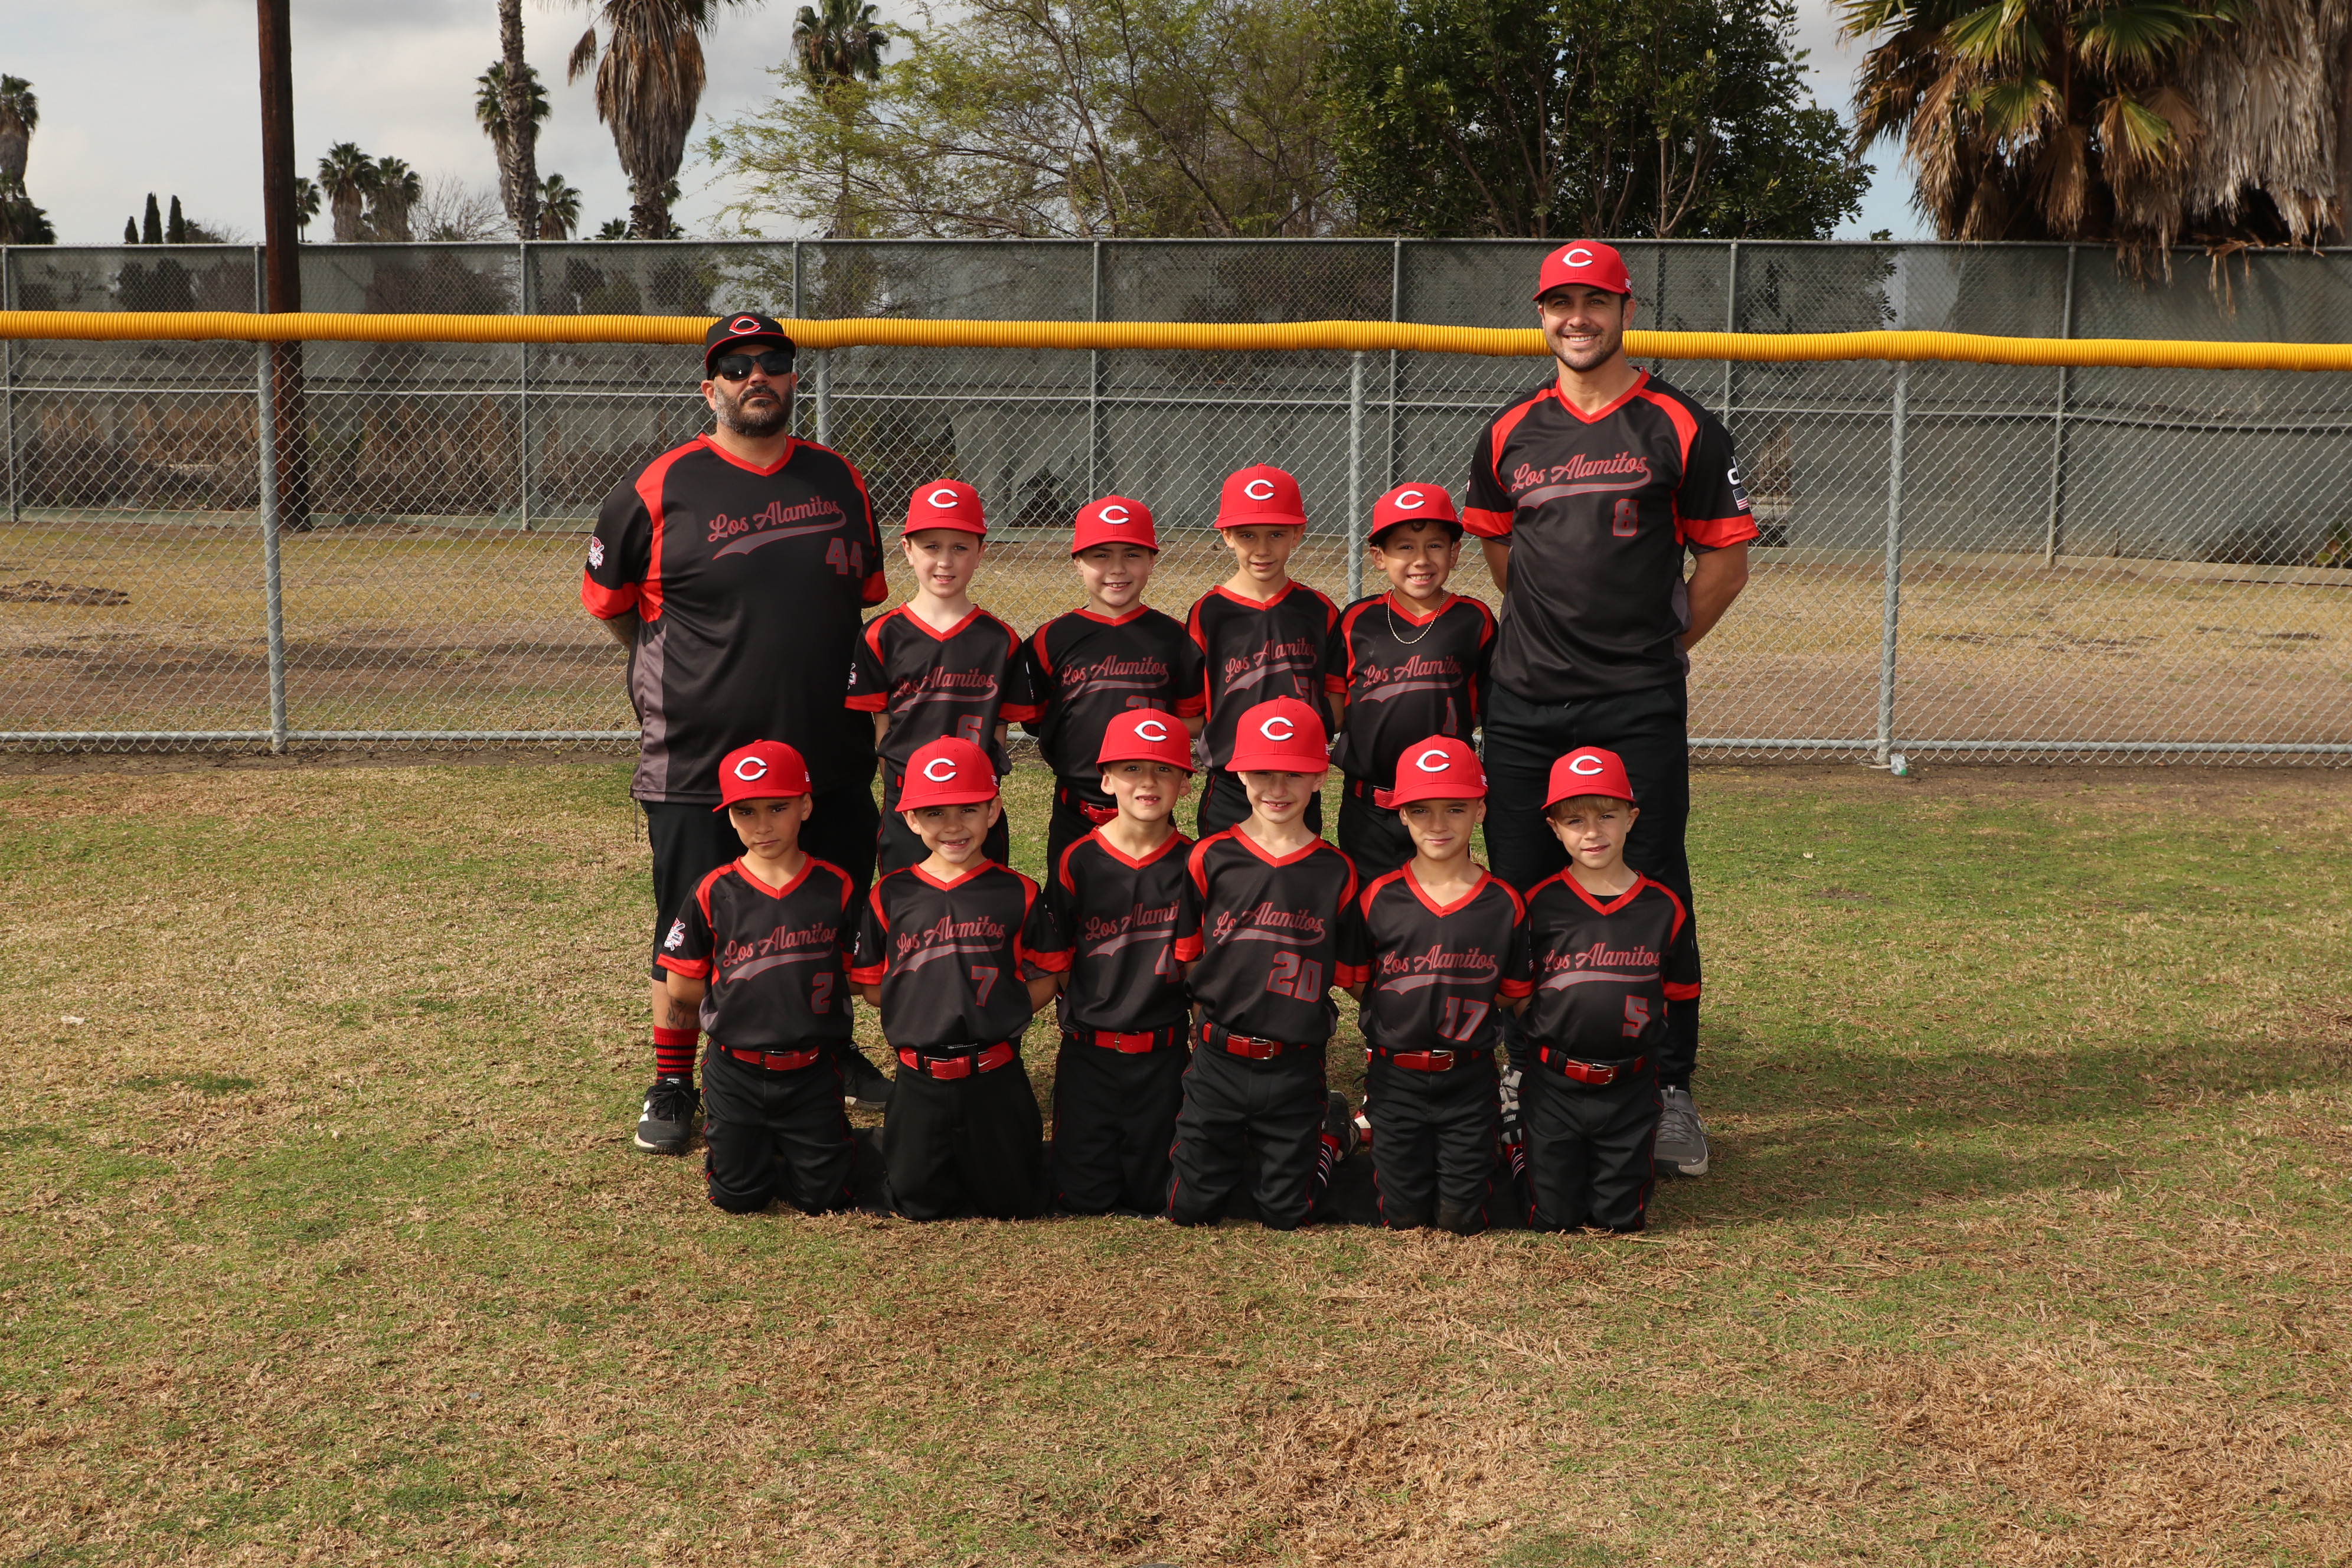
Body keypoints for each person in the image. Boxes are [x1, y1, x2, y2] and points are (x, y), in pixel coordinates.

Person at [1461, 241, 1756, 1179]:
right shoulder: (1510, 430)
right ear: (1541, 315)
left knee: (1653, 884)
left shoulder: (1682, 424)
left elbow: (1725, 561)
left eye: (1594, 301)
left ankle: (1667, 1086)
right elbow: (1504, 556)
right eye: (1560, 303)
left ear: (1627, 310)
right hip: (1524, 699)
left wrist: (1656, 647)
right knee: (1521, 883)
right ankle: (1527, 1068)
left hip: (1635, 701)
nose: (1576, 318)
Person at [582, 312, 890, 1158]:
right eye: (737, 364)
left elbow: (860, 596)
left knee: (826, 915)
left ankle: (828, 1053)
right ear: (709, 387)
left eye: (774, 361)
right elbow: (615, 610)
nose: (758, 375)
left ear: (793, 378)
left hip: (826, 754)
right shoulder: (659, 486)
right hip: (699, 757)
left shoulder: (839, 479)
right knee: (687, 928)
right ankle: (674, 1080)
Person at [850, 736, 1069, 1220]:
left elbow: (1051, 973)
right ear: (910, 819)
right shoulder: (891, 894)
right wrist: (922, 1005)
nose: (953, 826)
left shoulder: (1018, 891)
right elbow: (872, 986)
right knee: (917, 1203)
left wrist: (1003, 1009)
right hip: (918, 1076)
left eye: (969, 809)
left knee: (1013, 1204)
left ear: (994, 811)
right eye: (934, 813)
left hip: (996, 1075)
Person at [1168, 698, 1365, 1230]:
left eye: (1294, 773)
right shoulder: (1209, 857)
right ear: (1239, 774)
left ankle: (1331, 1133)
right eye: (1262, 773)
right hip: (1219, 1058)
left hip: (1295, 1063)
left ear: (1320, 777)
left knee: (1286, 1213)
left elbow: (1352, 975)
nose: (1277, 788)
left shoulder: (1337, 871)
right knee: (1189, 1208)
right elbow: (1190, 957)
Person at [655, 740, 858, 1216]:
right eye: (746, 811)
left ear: (805, 806)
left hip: (812, 1067)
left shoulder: (836, 886)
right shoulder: (713, 890)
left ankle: (801, 1144)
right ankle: (759, 1145)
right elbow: (681, 987)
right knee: (738, 1199)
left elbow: (853, 973)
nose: (762, 825)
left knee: (824, 1199)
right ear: (730, 817)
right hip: (736, 1071)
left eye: (778, 808)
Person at [1345, 736, 1530, 1236]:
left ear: (1481, 810)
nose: (1438, 824)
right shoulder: (1379, 897)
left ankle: (1511, 1137)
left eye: (1456, 808)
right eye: (1421, 810)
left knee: (1461, 1219)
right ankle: (1338, 1132)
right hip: (1395, 1077)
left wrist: (1461, 1000)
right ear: (1401, 815)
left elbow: (1512, 990)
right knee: (1402, 1216)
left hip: (1469, 1077)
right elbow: (1361, 982)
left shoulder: (1503, 902)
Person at [1512, 747, 1699, 1234]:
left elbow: (1679, 994)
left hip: (1631, 1083)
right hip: (1554, 1081)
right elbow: (1517, 992)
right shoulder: (1538, 904)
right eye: (1575, 820)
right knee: (1553, 1217)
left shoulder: (1664, 907)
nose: (1592, 832)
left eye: (1607, 815)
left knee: (1620, 1219)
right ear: (1554, 828)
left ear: (1632, 818)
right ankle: (1518, 1150)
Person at [1045, 709, 1200, 1215]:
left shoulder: (1196, 863)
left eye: (1164, 769)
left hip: (1164, 1053)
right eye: (1131, 768)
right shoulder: (1078, 859)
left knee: (1158, 1196)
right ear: (1106, 779)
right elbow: (1059, 956)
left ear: (1185, 782)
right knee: (1083, 1198)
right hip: (1090, 1053)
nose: (1148, 782)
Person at [847, 479, 1041, 877]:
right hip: (909, 803)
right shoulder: (881, 634)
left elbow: (999, 729)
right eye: (931, 547)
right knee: (906, 900)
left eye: (960, 548)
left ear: (981, 552)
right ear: (907, 550)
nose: (945, 562)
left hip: (975, 803)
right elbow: (883, 728)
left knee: (982, 900)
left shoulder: (1000, 640)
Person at [1024, 496, 1206, 879]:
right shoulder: (1050, 639)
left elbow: (1190, 721)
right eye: (1101, 556)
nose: (1117, 568)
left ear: (1152, 560)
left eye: (1132, 555)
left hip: (1151, 808)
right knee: (1070, 903)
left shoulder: (1176, 638)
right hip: (1075, 811)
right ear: (1078, 562)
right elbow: (1039, 720)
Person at [1328, 484, 1495, 881]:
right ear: (1378, 557)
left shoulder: (1474, 619)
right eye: (1405, 547)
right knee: (1368, 904)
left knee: (1439, 899)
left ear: (1454, 552)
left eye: (1435, 546)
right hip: (1368, 805)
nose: (1421, 560)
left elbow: (1491, 709)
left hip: (1442, 805)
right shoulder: (1357, 620)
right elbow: (1335, 708)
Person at [1186, 466, 1341, 839]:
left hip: (1298, 780)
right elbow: (1191, 710)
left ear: (1297, 533)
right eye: (1247, 535)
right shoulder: (1209, 612)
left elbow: (1336, 703)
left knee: (1297, 867)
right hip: (1230, 783)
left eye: (1276, 534)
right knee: (1222, 870)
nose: (1262, 549)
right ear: (1226, 536)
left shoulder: (1318, 610)